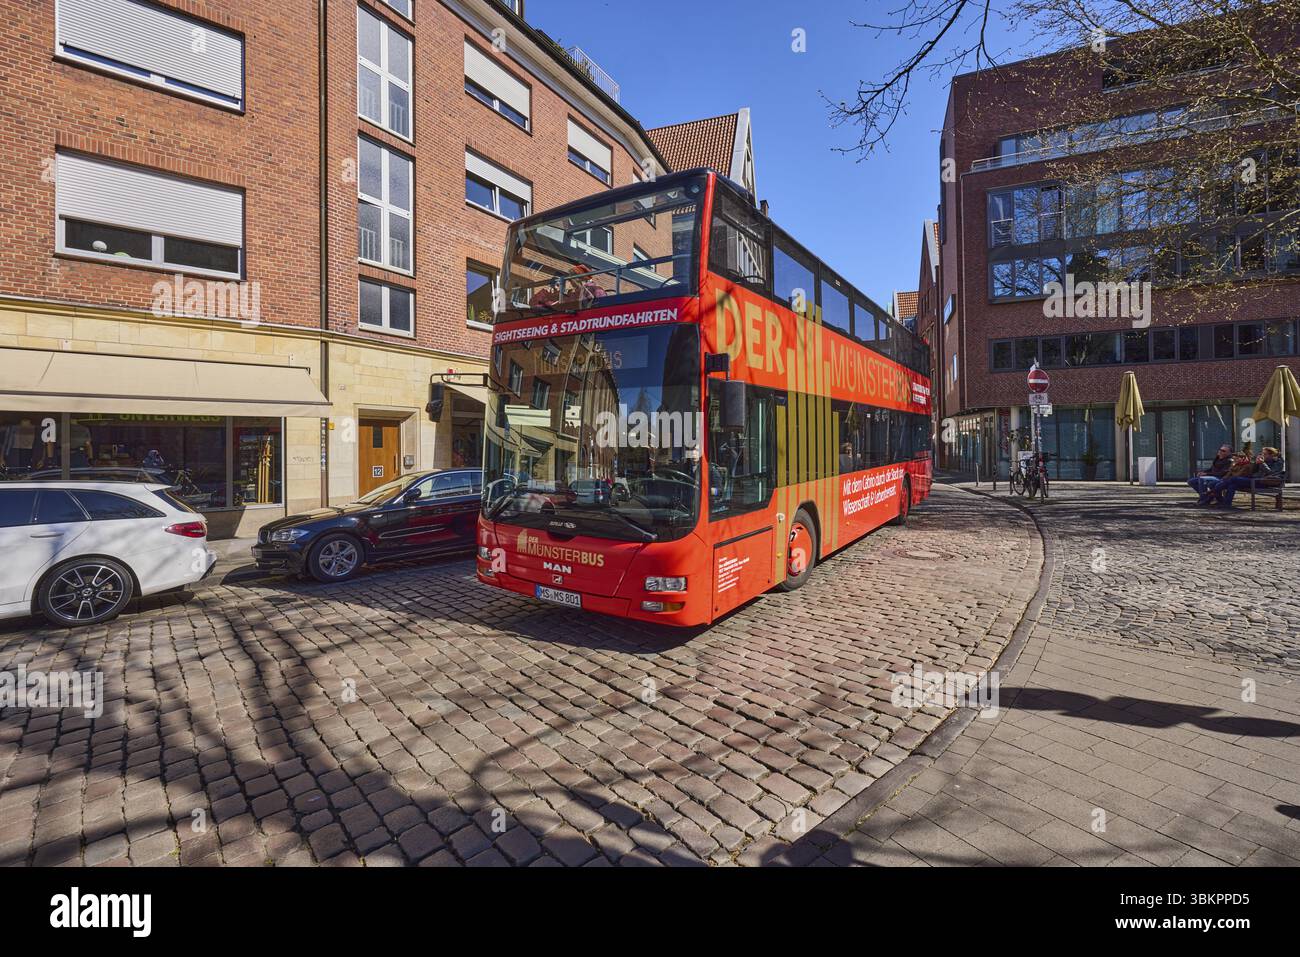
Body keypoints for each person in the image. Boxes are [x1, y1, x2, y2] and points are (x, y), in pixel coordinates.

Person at [1209, 447, 1285, 508]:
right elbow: (1253, 471)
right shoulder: (1263, 461)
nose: (1262, 455)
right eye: (1262, 453)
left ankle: (1212, 492)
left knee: (1234, 479)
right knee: (1232, 485)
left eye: (1265, 454)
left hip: (1262, 482)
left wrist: (1262, 463)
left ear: (1271, 455)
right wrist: (1256, 463)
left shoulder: (1278, 463)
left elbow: (1271, 473)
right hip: (1253, 480)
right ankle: (1226, 504)